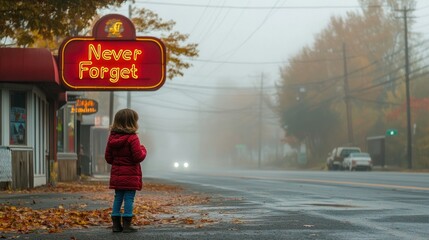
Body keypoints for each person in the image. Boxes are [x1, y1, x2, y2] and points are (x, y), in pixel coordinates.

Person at [105, 108, 147, 233]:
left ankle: (116, 225)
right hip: (130, 175)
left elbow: (108, 158)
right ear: (132, 122)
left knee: (118, 197)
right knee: (129, 198)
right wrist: (143, 149)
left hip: (117, 174)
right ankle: (127, 225)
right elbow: (138, 157)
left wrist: (118, 163)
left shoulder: (112, 138)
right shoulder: (132, 138)